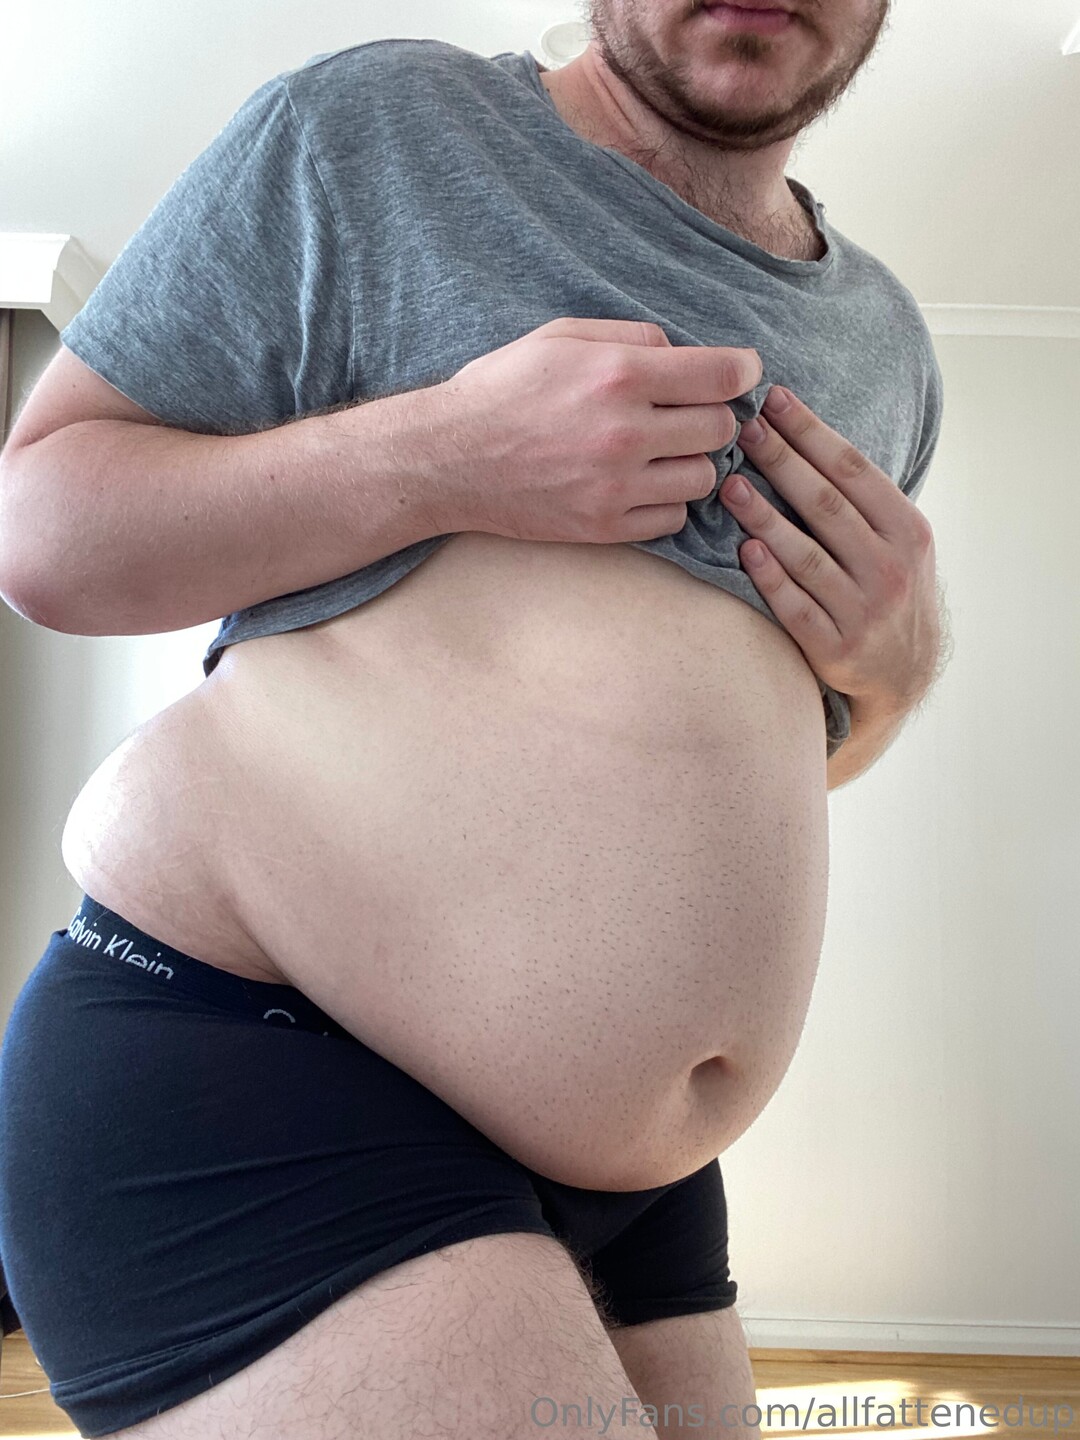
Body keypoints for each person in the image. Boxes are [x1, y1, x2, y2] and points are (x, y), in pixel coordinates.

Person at [0, 0, 948, 1435]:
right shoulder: (376, 132)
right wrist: (439, 456)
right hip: (271, 1063)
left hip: (644, 1183)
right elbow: (42, 539)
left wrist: (896, 676)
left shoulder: (888, 346)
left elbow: (756, 778)